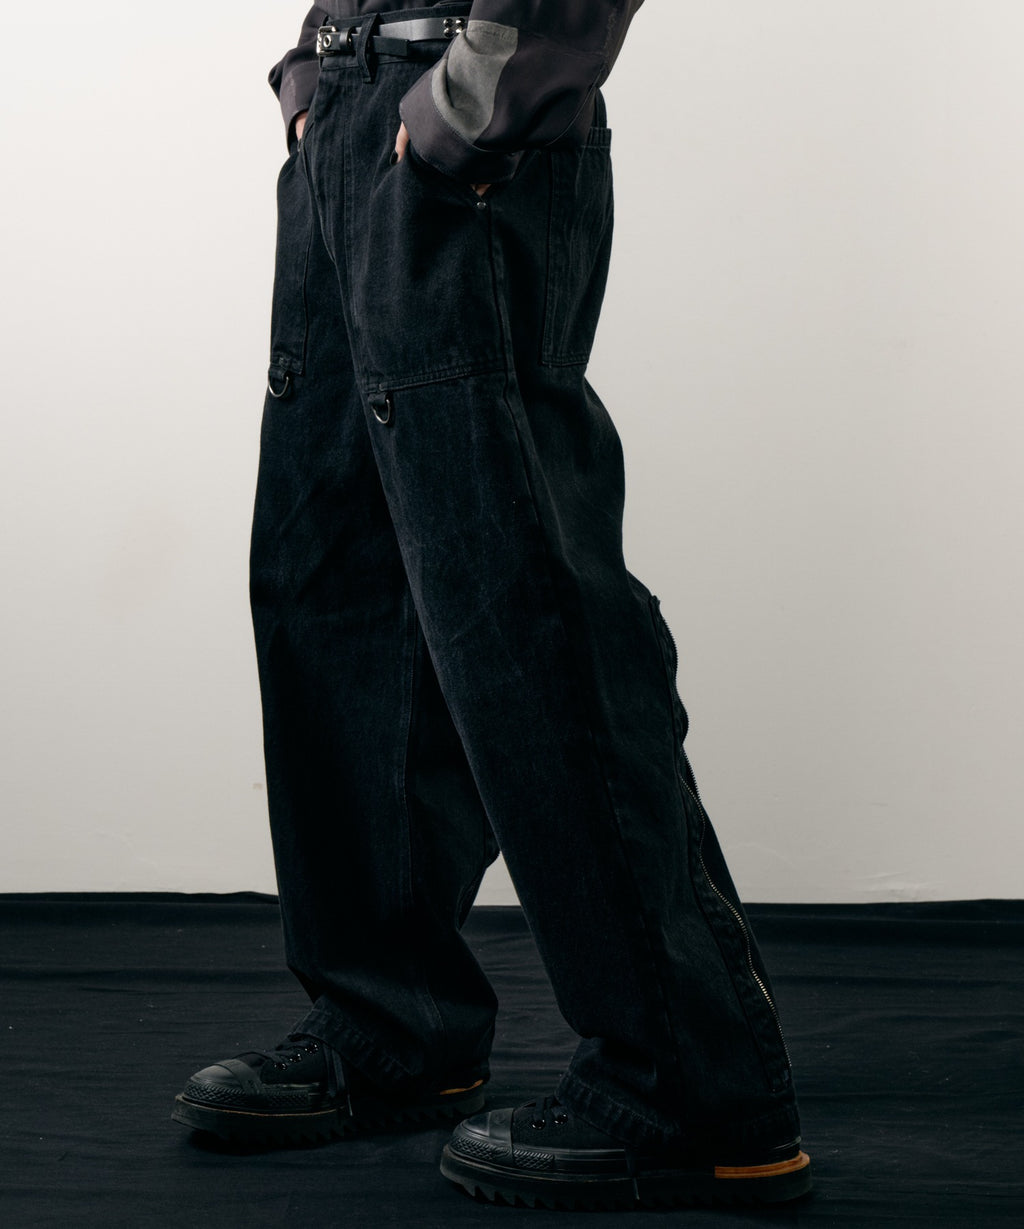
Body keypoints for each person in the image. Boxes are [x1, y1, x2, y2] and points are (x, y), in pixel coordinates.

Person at [172, 1, 812, 1209]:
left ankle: (694, 1080)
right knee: (333, 587)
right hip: (356, 115)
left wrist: (467, 103)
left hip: (470, 139)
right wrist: (317, 71)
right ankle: (391, 1025)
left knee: (524, 604)